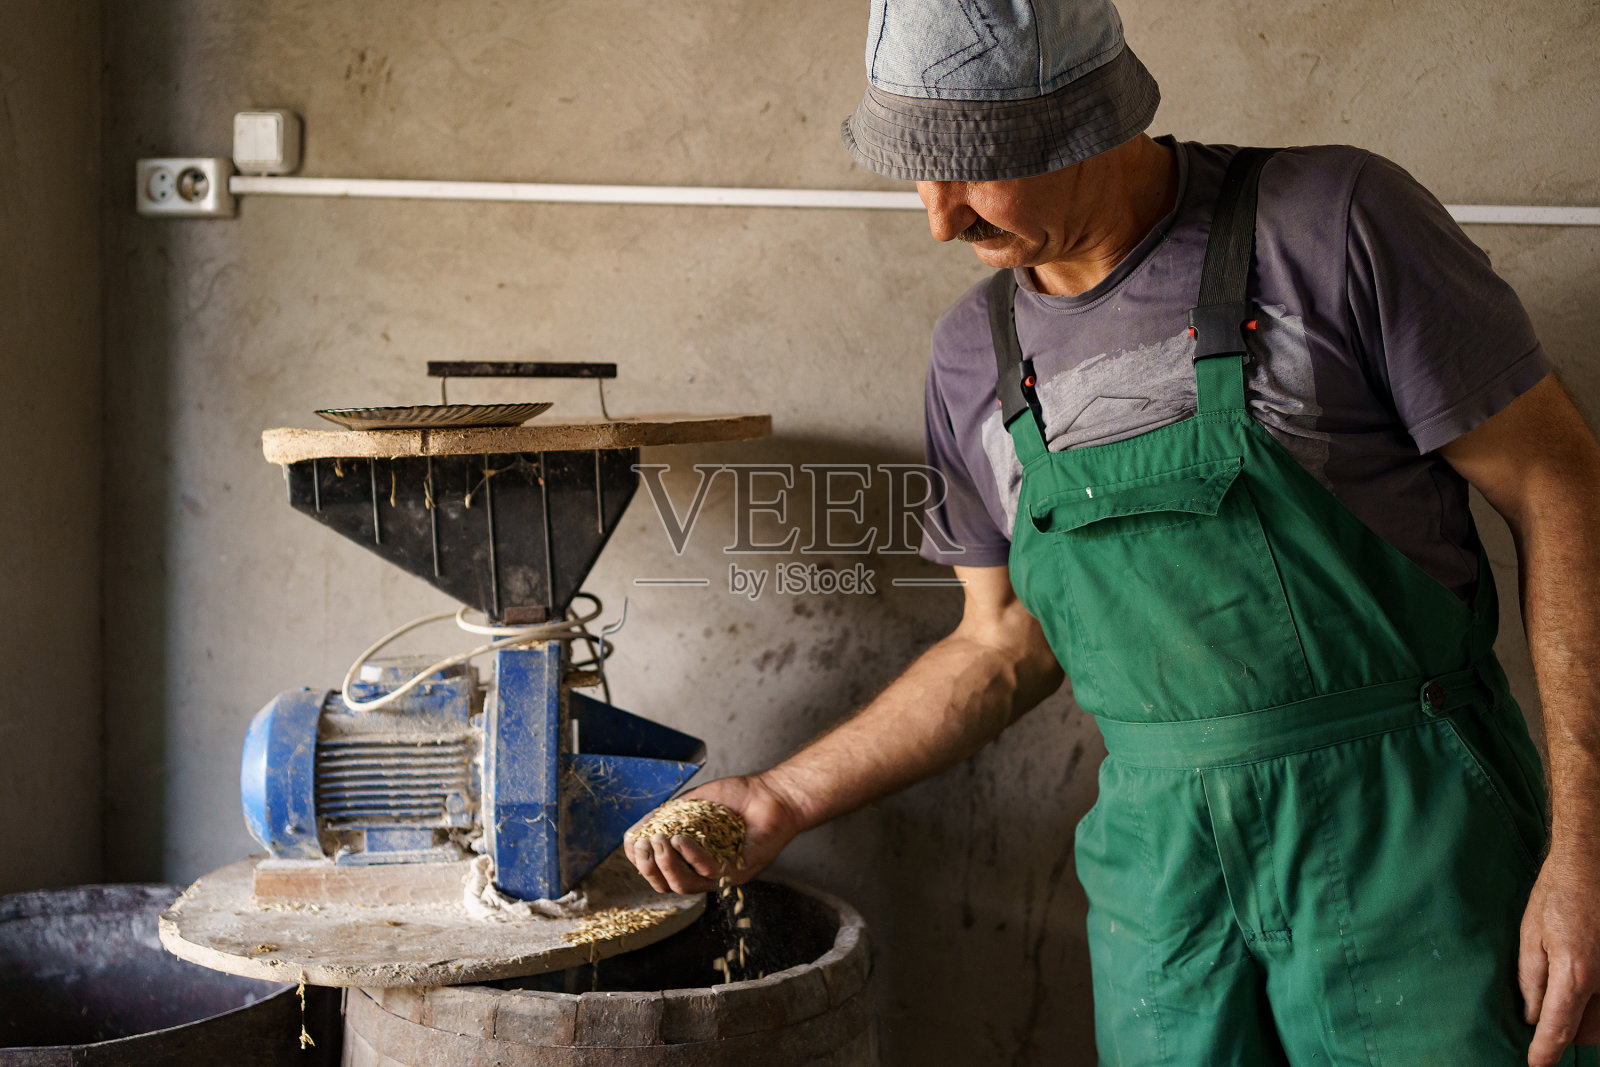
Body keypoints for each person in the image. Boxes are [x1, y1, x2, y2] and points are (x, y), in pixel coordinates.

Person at [627, 2, 1600, 1062]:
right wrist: (781, 794)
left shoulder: (1332, 225)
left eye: (974, 166)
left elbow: (1560, 488)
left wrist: (1586, 853)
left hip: (1408, 843)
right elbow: (1000, 643)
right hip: (1164, 890)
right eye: (916, 170)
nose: (939, 219)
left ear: (1086, 118)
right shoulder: (972, 357)